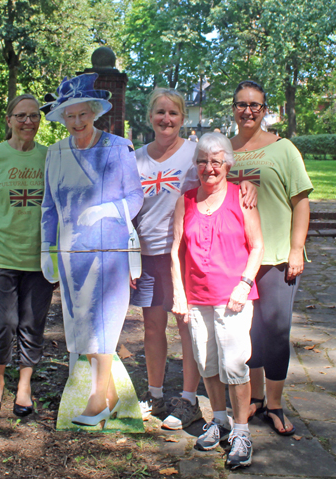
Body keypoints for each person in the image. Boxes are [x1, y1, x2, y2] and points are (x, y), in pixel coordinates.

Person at [133, 88, 257, 430]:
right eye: (159, 112)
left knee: (187, 328)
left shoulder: (194, 152)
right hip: (146, 254)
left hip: (184, 255)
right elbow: (126, 208)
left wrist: (246, 184)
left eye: (173, 113)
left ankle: (188, 399)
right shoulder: (137, 159)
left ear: (182, 118)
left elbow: (219, 178)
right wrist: (127, 258)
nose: (166, 119)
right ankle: (155, 395)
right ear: (150, 117)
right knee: (153, 328)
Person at [41, 73, 143, 427]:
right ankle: (110, 395)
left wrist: (109, 210)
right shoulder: (54, 153)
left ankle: (97, 400)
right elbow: (49, 206)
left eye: (83, 114)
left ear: (95, 112)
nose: (77, 122)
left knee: (103, 325)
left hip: (109, 253)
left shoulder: (117, 147)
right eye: (69, 116)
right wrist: (46, 247)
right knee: (82, 325)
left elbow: (135, 196)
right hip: (72, 254)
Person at [171, 132, 264, 470]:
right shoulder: (187, 200)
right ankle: (219, 420)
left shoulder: (242, 197)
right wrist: (179, 292)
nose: (209, 167)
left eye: (215, 161)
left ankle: (241, 432)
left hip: (233, 299)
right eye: (202, 161)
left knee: (235, 365)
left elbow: (257, 246)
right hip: (196, 298)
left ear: (227, 164)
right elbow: (175, 249)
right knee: (208, 363)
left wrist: (244, 284)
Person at [229, 80, 312, 436]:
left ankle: (275, 404)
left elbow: (301, 200)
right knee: (246, 333)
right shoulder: (225, 150)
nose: (248, 111)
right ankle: (256, 397)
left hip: (277, 256)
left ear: (265, 110)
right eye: (241, 104)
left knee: (275, 331)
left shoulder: (284, 148)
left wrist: (296, 249)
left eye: (255, 105)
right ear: (233, 108)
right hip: (236, 258)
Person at [0, 94, 53, 417]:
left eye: (33, 116)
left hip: (38, 259)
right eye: (21, 115)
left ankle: (25, 386)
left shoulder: (49, 158)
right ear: (9, 120)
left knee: (32, 324)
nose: (27, 122)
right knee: (2, 323)